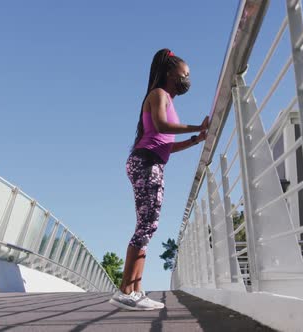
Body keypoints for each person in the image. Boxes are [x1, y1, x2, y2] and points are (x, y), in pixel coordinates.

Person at [109, 48, 209, 311]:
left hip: (151, 161)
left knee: (148, 225)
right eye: (183, 73)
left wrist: (195, 140)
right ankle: (125, 290)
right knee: (146, 225)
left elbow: (165, 145)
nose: (187, 78)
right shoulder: (158, 95)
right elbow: (163, 127)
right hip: (145, 163)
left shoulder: (167, 100)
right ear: (169, 72)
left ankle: (136, 290)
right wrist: (197, 127)